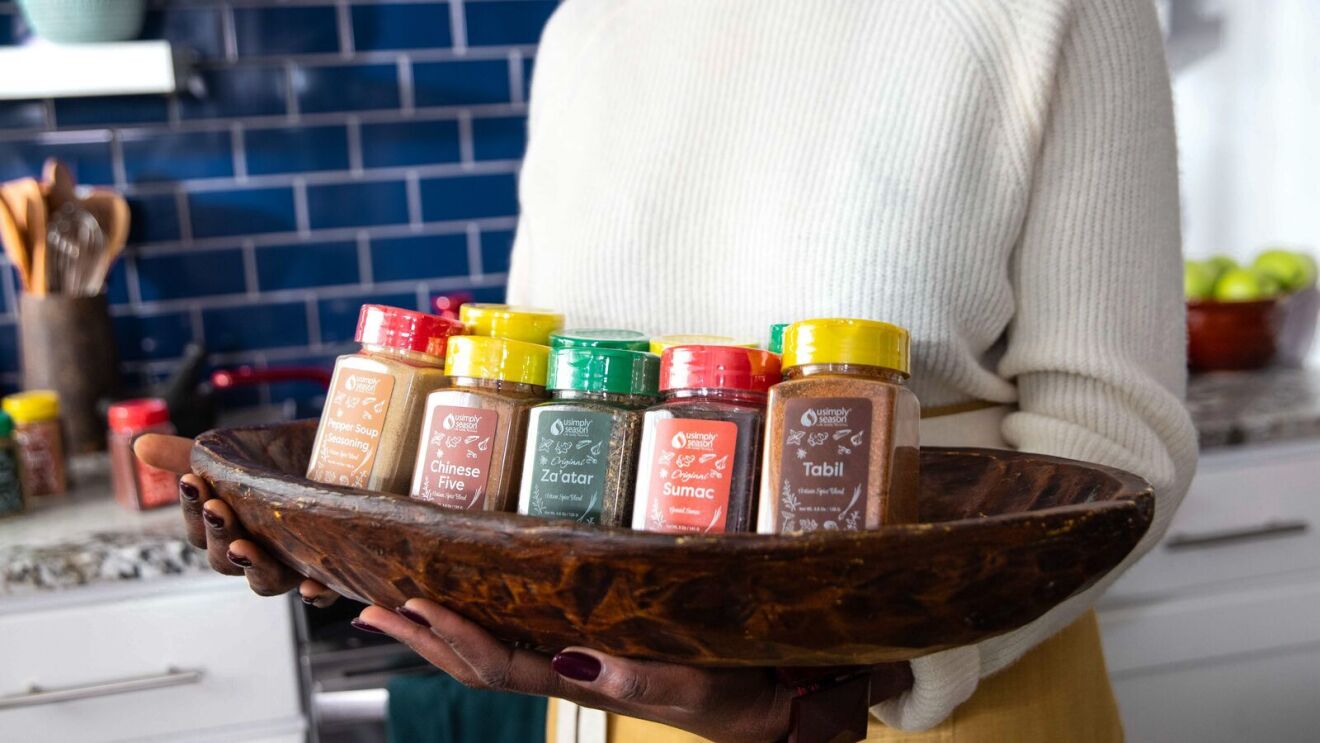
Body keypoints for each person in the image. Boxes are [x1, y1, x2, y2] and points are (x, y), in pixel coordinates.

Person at [139, 0, 1198, 739]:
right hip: (608, 703)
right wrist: (344, 544)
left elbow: (1115, 443)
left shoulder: (1058, 8)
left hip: (922, 701)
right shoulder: (587, 28)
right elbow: (543, 388)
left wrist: (845, 684)